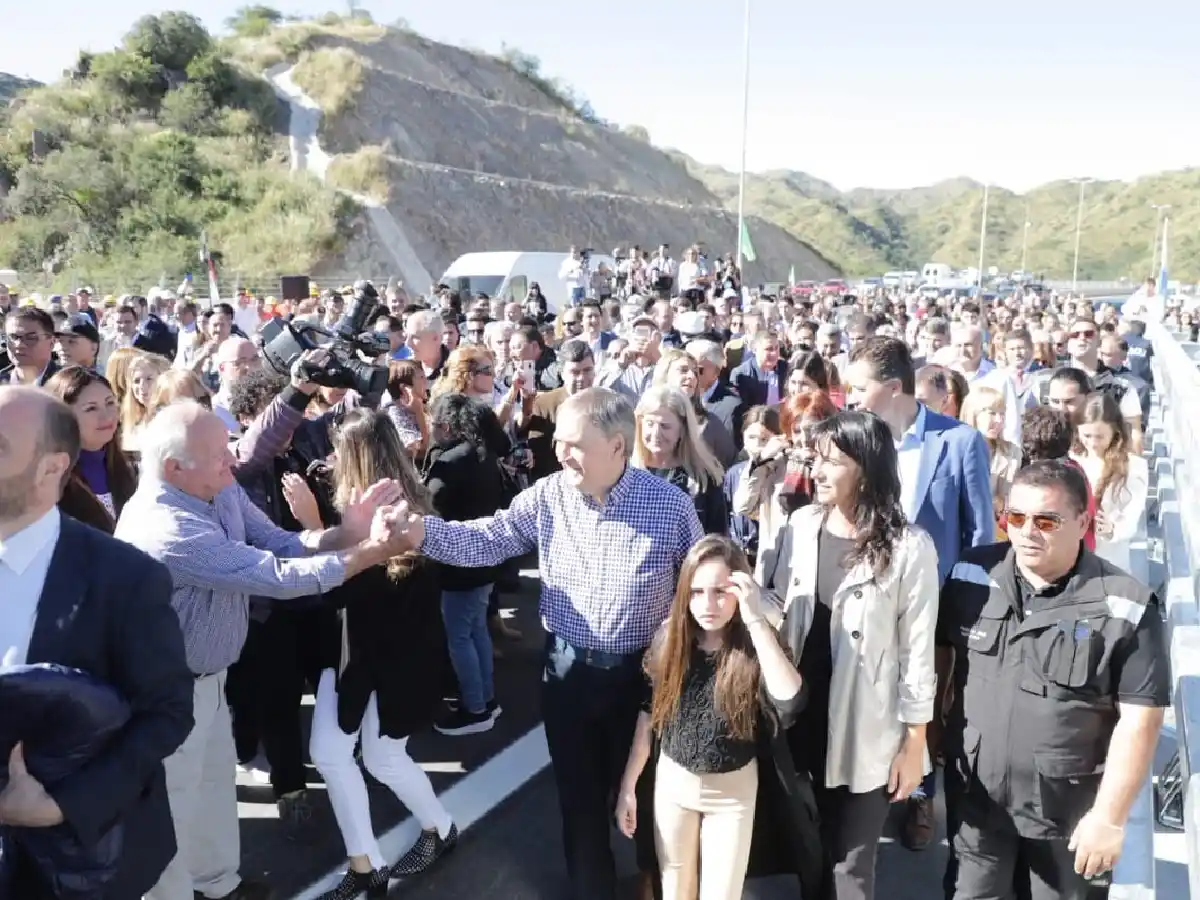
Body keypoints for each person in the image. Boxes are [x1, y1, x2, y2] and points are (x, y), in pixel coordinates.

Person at [387, 387, 703, 900]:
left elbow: (695, 591)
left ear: (619, 448)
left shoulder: (670, 506)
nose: (560, 454)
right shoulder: (549, 494)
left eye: (575, 444)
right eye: (559, 442)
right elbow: (489, 539)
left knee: (646, 800)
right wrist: (421, 533)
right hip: (567, 676)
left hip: (643, 686)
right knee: (579, 806)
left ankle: (655, 883)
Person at [116, 400, 413, 900]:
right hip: (164, 694)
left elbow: (280, 542)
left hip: (209, 679)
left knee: (211, 792)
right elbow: (274, 576)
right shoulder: (165, 529)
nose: (233, 461)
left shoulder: (216, 485)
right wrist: (373, 551)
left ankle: (218, 884)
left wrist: (347, 532)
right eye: (218, 455)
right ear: (174, 468)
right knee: (167, 813)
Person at [938, 460, 1169, 900]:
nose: (1027, 531)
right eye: (1015, 517)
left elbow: (1141, 722)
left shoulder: (1125, 605)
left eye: (1046, 520)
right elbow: (940, 659)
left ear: (1083, 521)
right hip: (977, 808)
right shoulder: (971, 575)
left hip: (1068, 822)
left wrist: (1109, 818)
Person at [0, 386, 194, 900]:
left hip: (85, 863)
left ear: (50, 468)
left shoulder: (125, 578)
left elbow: (167, 714)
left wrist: (62, 805)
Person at [281, 409, 456, 897]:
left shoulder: (397, 511)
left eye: (340, 450)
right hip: (358, 656)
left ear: (360, 456)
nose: (330, 458)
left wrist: (316, 529)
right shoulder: (380, 501)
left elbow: (351, 591)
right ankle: (368, 864)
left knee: (380, 757)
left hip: (386, 661)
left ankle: (437, 830)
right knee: (336, 754)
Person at [772, 411, 940, 899]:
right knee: (809, 855)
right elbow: (783, 609)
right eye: (814, 459)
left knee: (850, 869)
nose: (817, 471)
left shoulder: (910, 549)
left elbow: (918, 652)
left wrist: (915, 743)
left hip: (867, 730)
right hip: (800, 719)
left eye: (832, 462)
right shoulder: (801, 525)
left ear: (866, 469)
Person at [844, 335, 994, 850]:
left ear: (891, 388)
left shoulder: (959, 442)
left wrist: (965, 613)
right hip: (870, 602)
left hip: (934, 610)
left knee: (924, 706)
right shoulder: (861, 441)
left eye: (858, 388)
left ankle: (921, 797)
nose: (851, 398)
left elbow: (980, 538)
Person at [614, 535, 820, 900]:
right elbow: (648, 716)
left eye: (720, 591)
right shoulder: (670, 641)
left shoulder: (756, 642)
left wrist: (755, 619)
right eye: (696, 592)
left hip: (733, 794)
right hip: (674, 786)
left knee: (722, 893)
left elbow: (790, 700)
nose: (707, 604)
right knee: (676, 888)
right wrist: (629, 787)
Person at [1072, 393, 1149, 573]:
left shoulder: (1134, 467)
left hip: (1110, 559)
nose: (1092, 443)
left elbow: (1132, 515)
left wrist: (1112, 529)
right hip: (1073, 557)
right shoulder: (1071, 459)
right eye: (1087, 435)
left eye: (1099, 436)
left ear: (1115, 431)